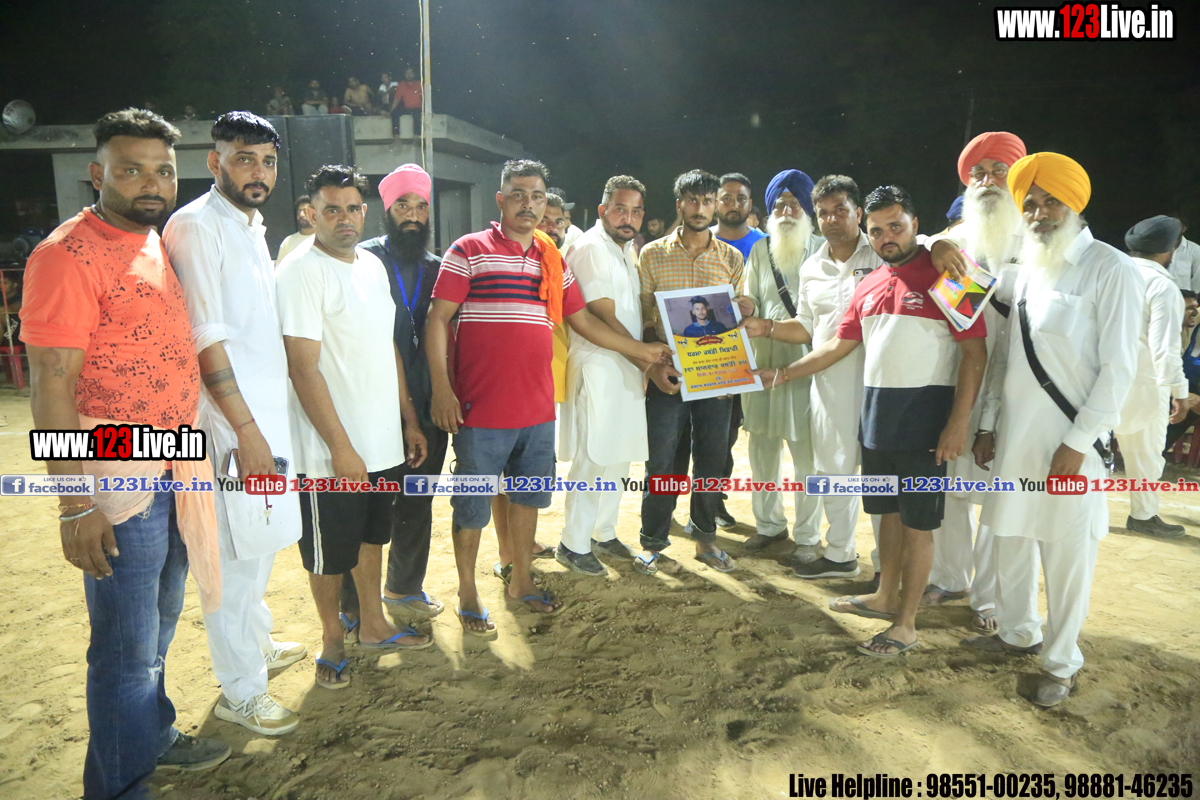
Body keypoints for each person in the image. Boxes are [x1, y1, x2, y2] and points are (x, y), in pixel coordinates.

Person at [21, 108, 229, 798]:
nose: (151, 183)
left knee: (158, 626)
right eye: (131, 169)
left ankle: (152, 736)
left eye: (162, 171)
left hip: (174, 463)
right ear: (97, 173)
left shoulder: (149, 241)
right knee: (124, 649)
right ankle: (117, 786)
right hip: (117, 474)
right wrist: (74, 504)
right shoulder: (66, 255)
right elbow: (52, 383)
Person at [425, 159, 669, 634]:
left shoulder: (551, 257)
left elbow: (583, 321)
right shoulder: (469, 250)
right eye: (518, 194)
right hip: (480, 407)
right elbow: (438, 319)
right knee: (472, 507)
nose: (528, 204)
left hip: (538, 409)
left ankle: (521, 581)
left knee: (527, 500)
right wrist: (441, 390)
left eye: (537, 196)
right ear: (501, 199)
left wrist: (644, 353)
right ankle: (467, 592)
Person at [748, 185, 988, 657]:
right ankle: (884, 596)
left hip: (925, 422)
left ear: (916, 225)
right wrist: (782, 374)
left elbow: (976, 354)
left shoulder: (953, 274)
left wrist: (958, 424)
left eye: (895, 226)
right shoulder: (871, 283)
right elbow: (839, 345)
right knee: (888, 516)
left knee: (918, 526)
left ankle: (906, 625)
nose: (885, 238)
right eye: (877, 231)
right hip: (876, 419)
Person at [967, 153, 1142, 707]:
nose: (1039, 213)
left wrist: (1077, 443)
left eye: (1051, 202)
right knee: (1011, 539)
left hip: (1070, 447)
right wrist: (988, 424)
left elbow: (1119, 370)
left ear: (1076, 205)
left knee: (1066, 555)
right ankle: (1018, 632)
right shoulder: (1027, 269)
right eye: (1031, 204)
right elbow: (1005, 357)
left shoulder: (1111, 269)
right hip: (1014, 440)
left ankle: (1062, 662)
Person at [163, 112, 305, 736]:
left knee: (260, 542)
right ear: (214, 161)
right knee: (230, 559)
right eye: (244, 158)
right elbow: (205, 340)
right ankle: (240, 691)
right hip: (226, 428)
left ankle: (259, 647)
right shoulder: (197, 226)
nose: (258, 172)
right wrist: (246, 432)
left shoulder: (250, 226)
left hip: (265, 420)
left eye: (267, 161)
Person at [276, 165, 431, 691]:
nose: (344, 218)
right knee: (328, 552)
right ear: (310, 213)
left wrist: (408, 419)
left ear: (365, 212)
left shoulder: (370, 264)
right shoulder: (300, 271)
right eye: (331, 209)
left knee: (372, 536)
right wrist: (340, 447)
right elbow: (302, 367)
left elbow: (387, 347)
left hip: (381, 441)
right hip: (329, 452)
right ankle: (331, 639)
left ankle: (373, 623)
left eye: (352, 208)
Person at [923, 131, 1028, 634]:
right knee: (951, 489)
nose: (987, 182)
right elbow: (915, 248)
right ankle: (950, 577)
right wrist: (938, 244)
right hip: (957, 382)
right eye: (978, 174)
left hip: (1015, 391)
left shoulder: (1035, 239)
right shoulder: (955, 242)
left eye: (998, 172)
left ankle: (988, 597)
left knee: (998, 497)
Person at [339, 163, 449, 620]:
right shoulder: (362, 260)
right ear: (386, 210)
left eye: (421, 206)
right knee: (367, 507)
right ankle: (352, 605)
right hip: (372, 403)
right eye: (403, 205)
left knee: (417, 500)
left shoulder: (438, 268)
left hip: (428, 402)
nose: (413, 215)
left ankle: (404, 588)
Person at [637, 169, 748, 575]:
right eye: (692, 200)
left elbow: (736, 318)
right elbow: (645, 318)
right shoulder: (652, 255)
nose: (700, 208)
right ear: (679, 204)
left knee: (712, 457)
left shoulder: (731, 258)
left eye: (707, 200)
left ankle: (705, 538)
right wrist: (654, 365)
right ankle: (653, 541)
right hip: (668, 374)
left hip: (715, 374)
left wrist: (746, 311)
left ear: (715, 205)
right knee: (661, 460)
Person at [557, 175, 661, 574]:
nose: (628, 218)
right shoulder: (591, 248)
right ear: (602, 210)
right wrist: (645, 360)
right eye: (620, 209)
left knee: (618, 455)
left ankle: (603, 532)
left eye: (636, 211)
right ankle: (573, 543)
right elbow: (601, 315)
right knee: (594, 456)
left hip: (625, 365)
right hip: (599, 365)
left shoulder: (624, 250)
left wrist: (640, 360)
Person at [738, 170, 825, 564]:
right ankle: (769, 526)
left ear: (807, 208)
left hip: (806, 363)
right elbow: (752, 297)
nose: (786, 211)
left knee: (808, 456)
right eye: (779, 205)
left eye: (794, 204)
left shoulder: (823, 250)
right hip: (763, 360)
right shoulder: (760, 250)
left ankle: (808, 536)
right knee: (761, 449)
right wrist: (746, 305)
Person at [1115, 216, 1189, 538]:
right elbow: (1165, 350)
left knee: (1086, 450)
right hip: (1143, 383)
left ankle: (1069, 512)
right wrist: (1180, 393)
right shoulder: (1162, 286)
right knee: (1145, 453)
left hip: (1096, 378)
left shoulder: (1112, 274)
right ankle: (1143, 516)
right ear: (1172, 249)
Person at [715, 172, 768, 262]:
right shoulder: (699, 241)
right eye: (726, 199)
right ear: (715, 203)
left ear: (750, 204)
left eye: (741, 199)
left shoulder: (766, 244)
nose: (734, 205)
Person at [276, 195, 315, 263]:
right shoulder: (288, 242)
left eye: (305, 211)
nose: (301, 215)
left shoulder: (325, 241)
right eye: (299, 211)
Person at [1167, 220, 1200, 291]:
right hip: (1158, 295)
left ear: (1183, 228)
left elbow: (1198, 279)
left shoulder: (1195, 250)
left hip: (1184, 296)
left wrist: (1194, 296)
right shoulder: (1156, 248)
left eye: (1175, 227)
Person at [393, 67, 422, 135]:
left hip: (417, 108)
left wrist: (429, 110)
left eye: (410, 73)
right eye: (407, 73)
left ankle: (416, 138)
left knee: (417, 116)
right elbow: (397, 99)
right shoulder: (402, 84)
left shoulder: (419, 84)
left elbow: (425, 98)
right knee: (394, 114)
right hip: (406, 108)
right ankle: (396, 137)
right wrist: (391, 111)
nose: (409, 75)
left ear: (414, 74)